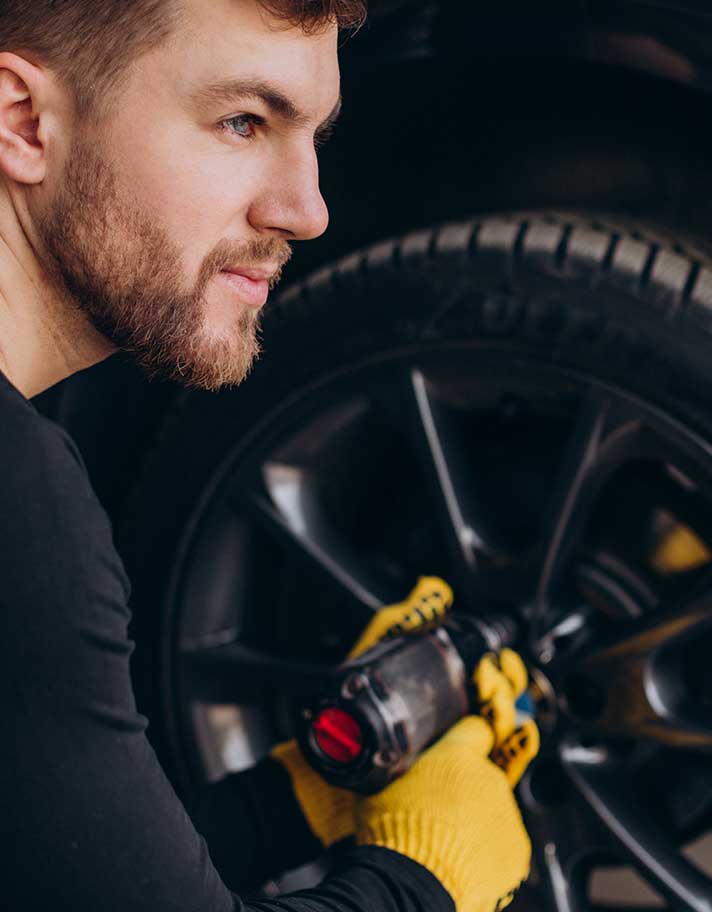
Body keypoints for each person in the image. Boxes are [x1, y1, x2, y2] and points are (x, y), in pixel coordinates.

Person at [0, 1, 538, 910]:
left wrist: (294, 799)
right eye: (243, 122)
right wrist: (427, 879)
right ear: (23, 122)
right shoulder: (21, 501)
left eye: (313, 136)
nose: (307, 209)